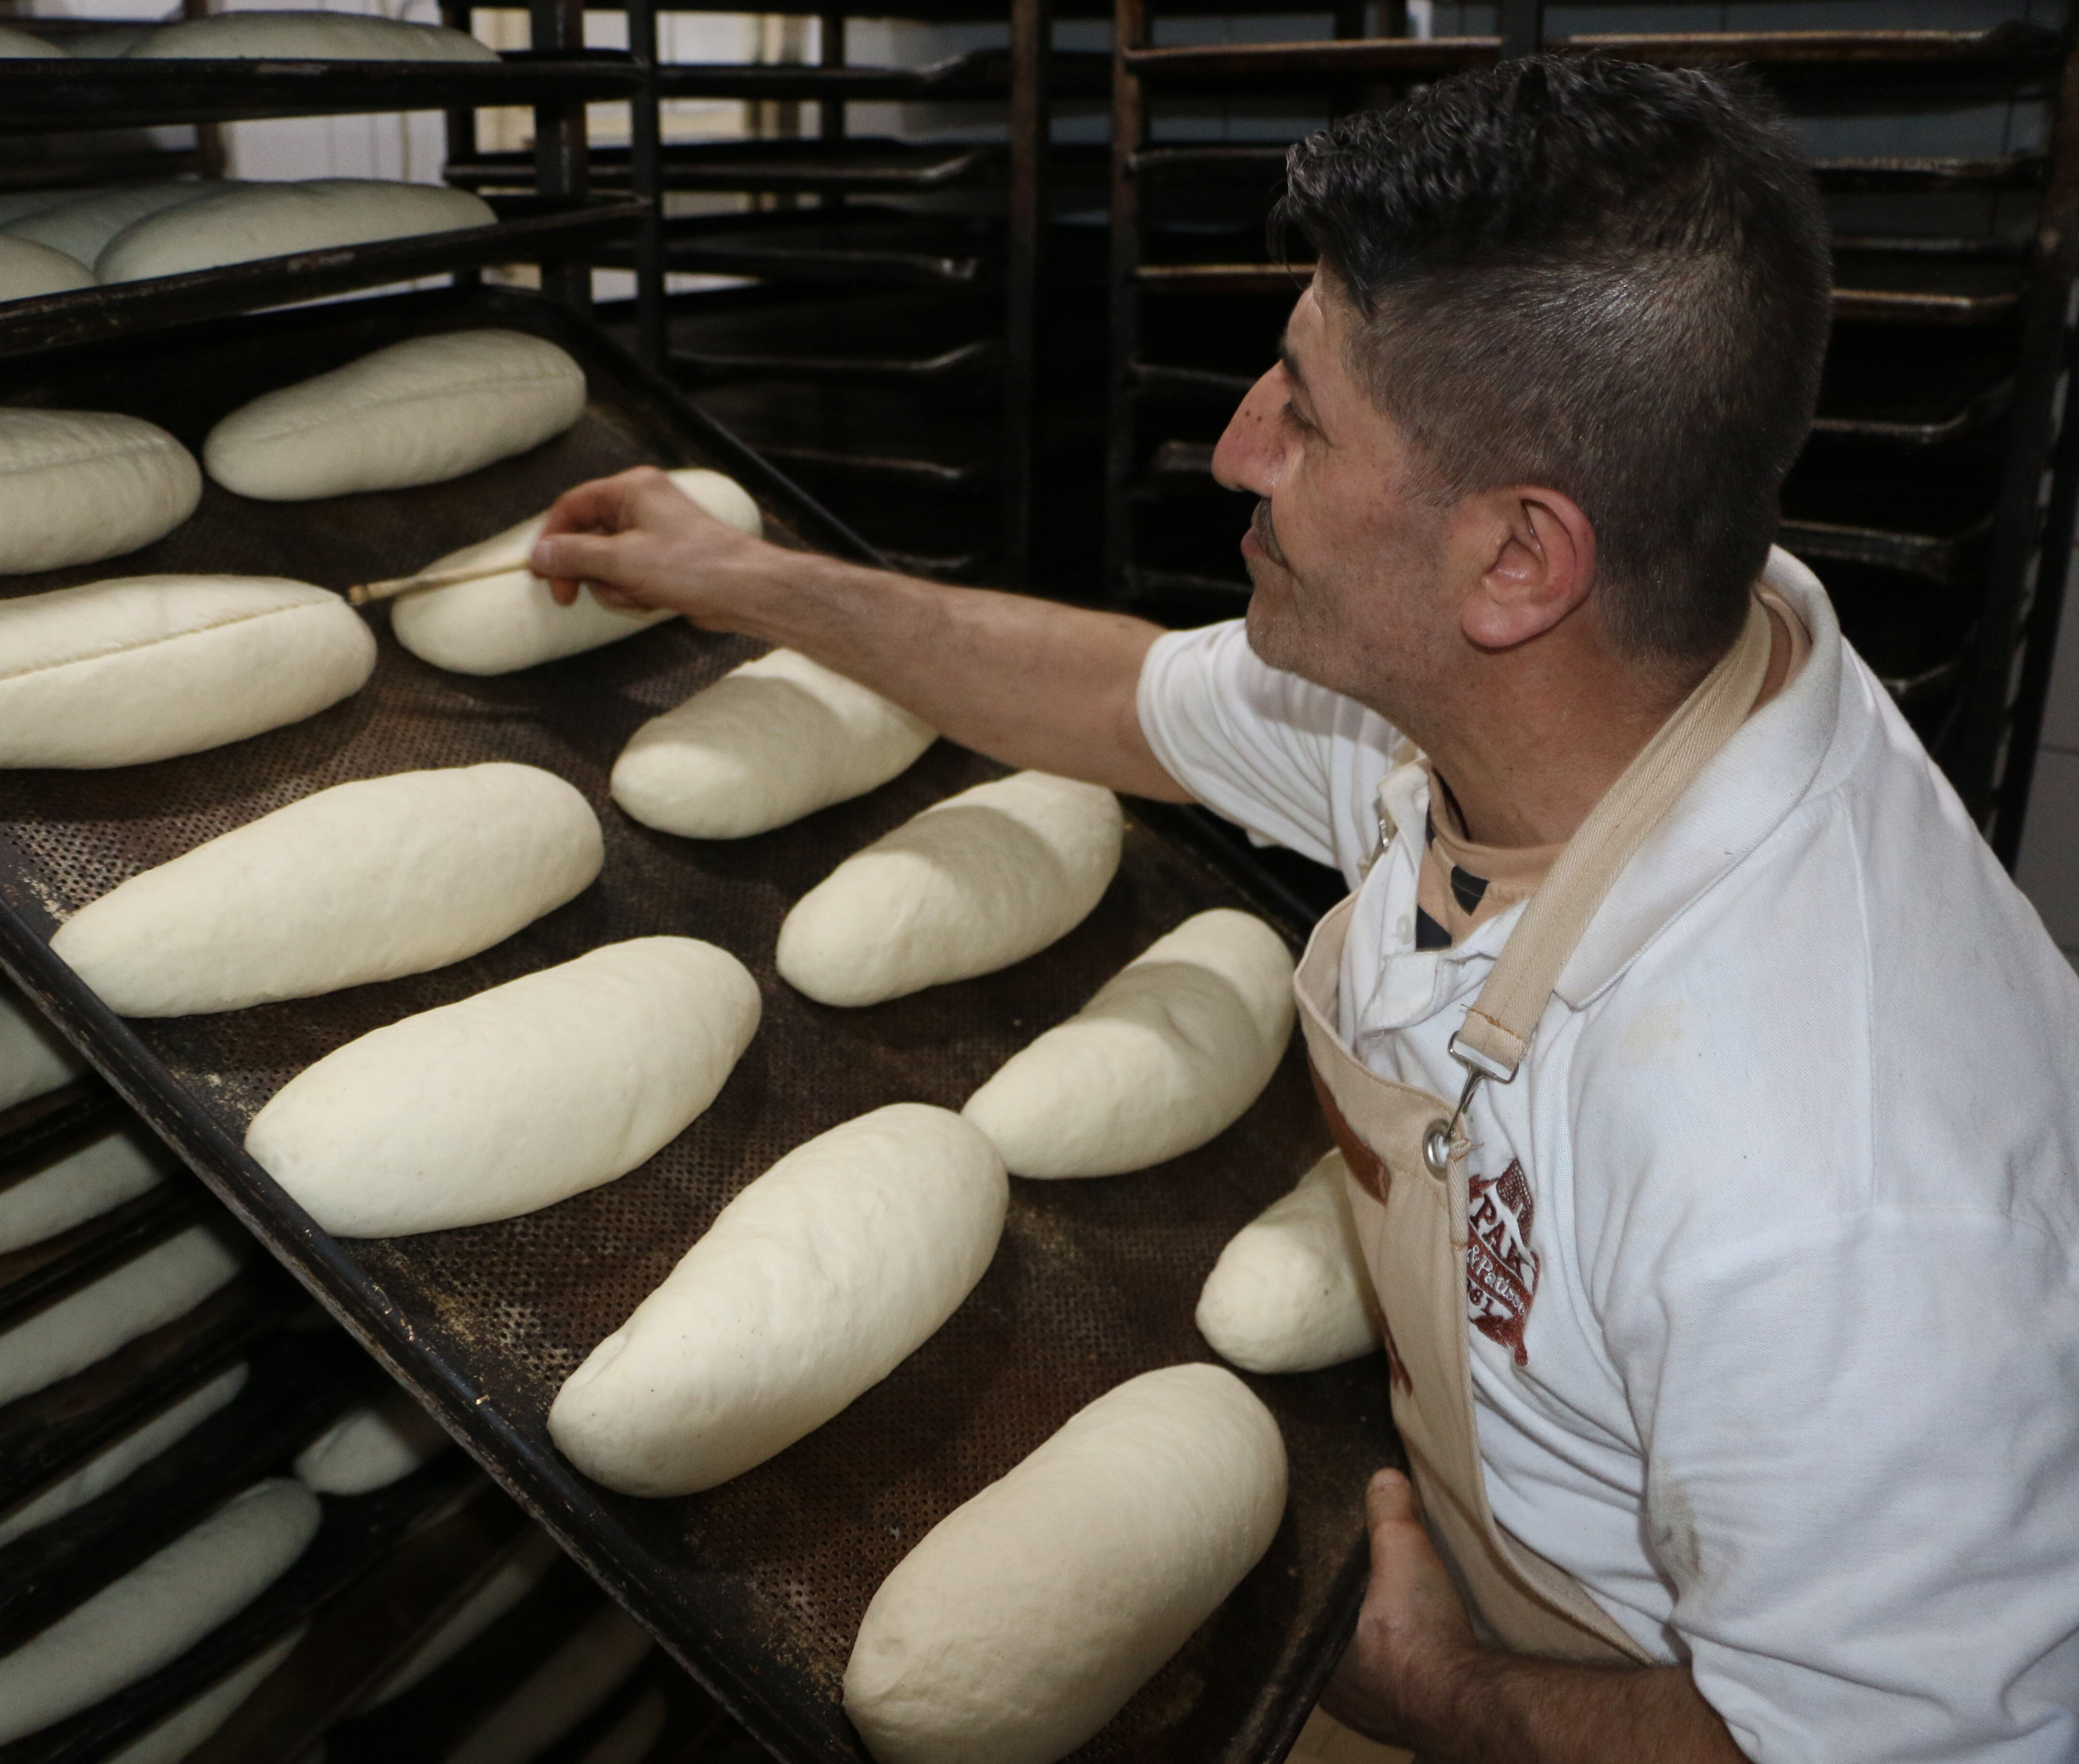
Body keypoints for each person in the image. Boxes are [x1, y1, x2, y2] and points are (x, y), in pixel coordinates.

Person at [524, 54, 2079, 1764]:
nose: (1235, 448)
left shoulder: (1824, 1186)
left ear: (1516, 561)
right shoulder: (1599, 670)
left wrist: (1452, 1695)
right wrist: (743, 579)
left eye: (1309, 413)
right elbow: (1123, 704)